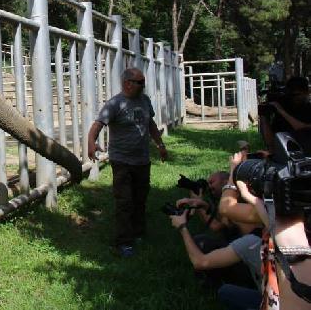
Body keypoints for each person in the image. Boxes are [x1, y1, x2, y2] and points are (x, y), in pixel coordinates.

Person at [87, 67, 167, 257]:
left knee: (141, 198)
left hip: (142, 160)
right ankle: (123, 242)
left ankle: (138, 232)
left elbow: (151, 125)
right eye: (140, 82)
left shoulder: (145, 100)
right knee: (124, 201)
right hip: (122, 160)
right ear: (127, 83)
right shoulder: (115, 104)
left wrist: (160, 145)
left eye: (143, 82)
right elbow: (97, 125)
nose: (143, 85)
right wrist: (91, 143)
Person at [220, 152, 311, 310]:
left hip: (283, 289)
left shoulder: (282, 212)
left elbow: (226, 208)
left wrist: (233, 174)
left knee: (225, 292)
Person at [170, 209, 263, 310]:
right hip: (276, 296)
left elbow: (199, 262)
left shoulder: (251, 242)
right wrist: (204, 205)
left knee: (226, 292)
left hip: (270, 301)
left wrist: (182, 227)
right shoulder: (274, 233)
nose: (229, 219)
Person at [261, 76, 311, 154]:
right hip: (284, 155)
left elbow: (300, 128)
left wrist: (282, 111)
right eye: (291, 95)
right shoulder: (284, 110)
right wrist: (264, 117)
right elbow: (270, 142)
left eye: (296, 94)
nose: (294, 98)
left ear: (306, 92)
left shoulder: (308, 109)